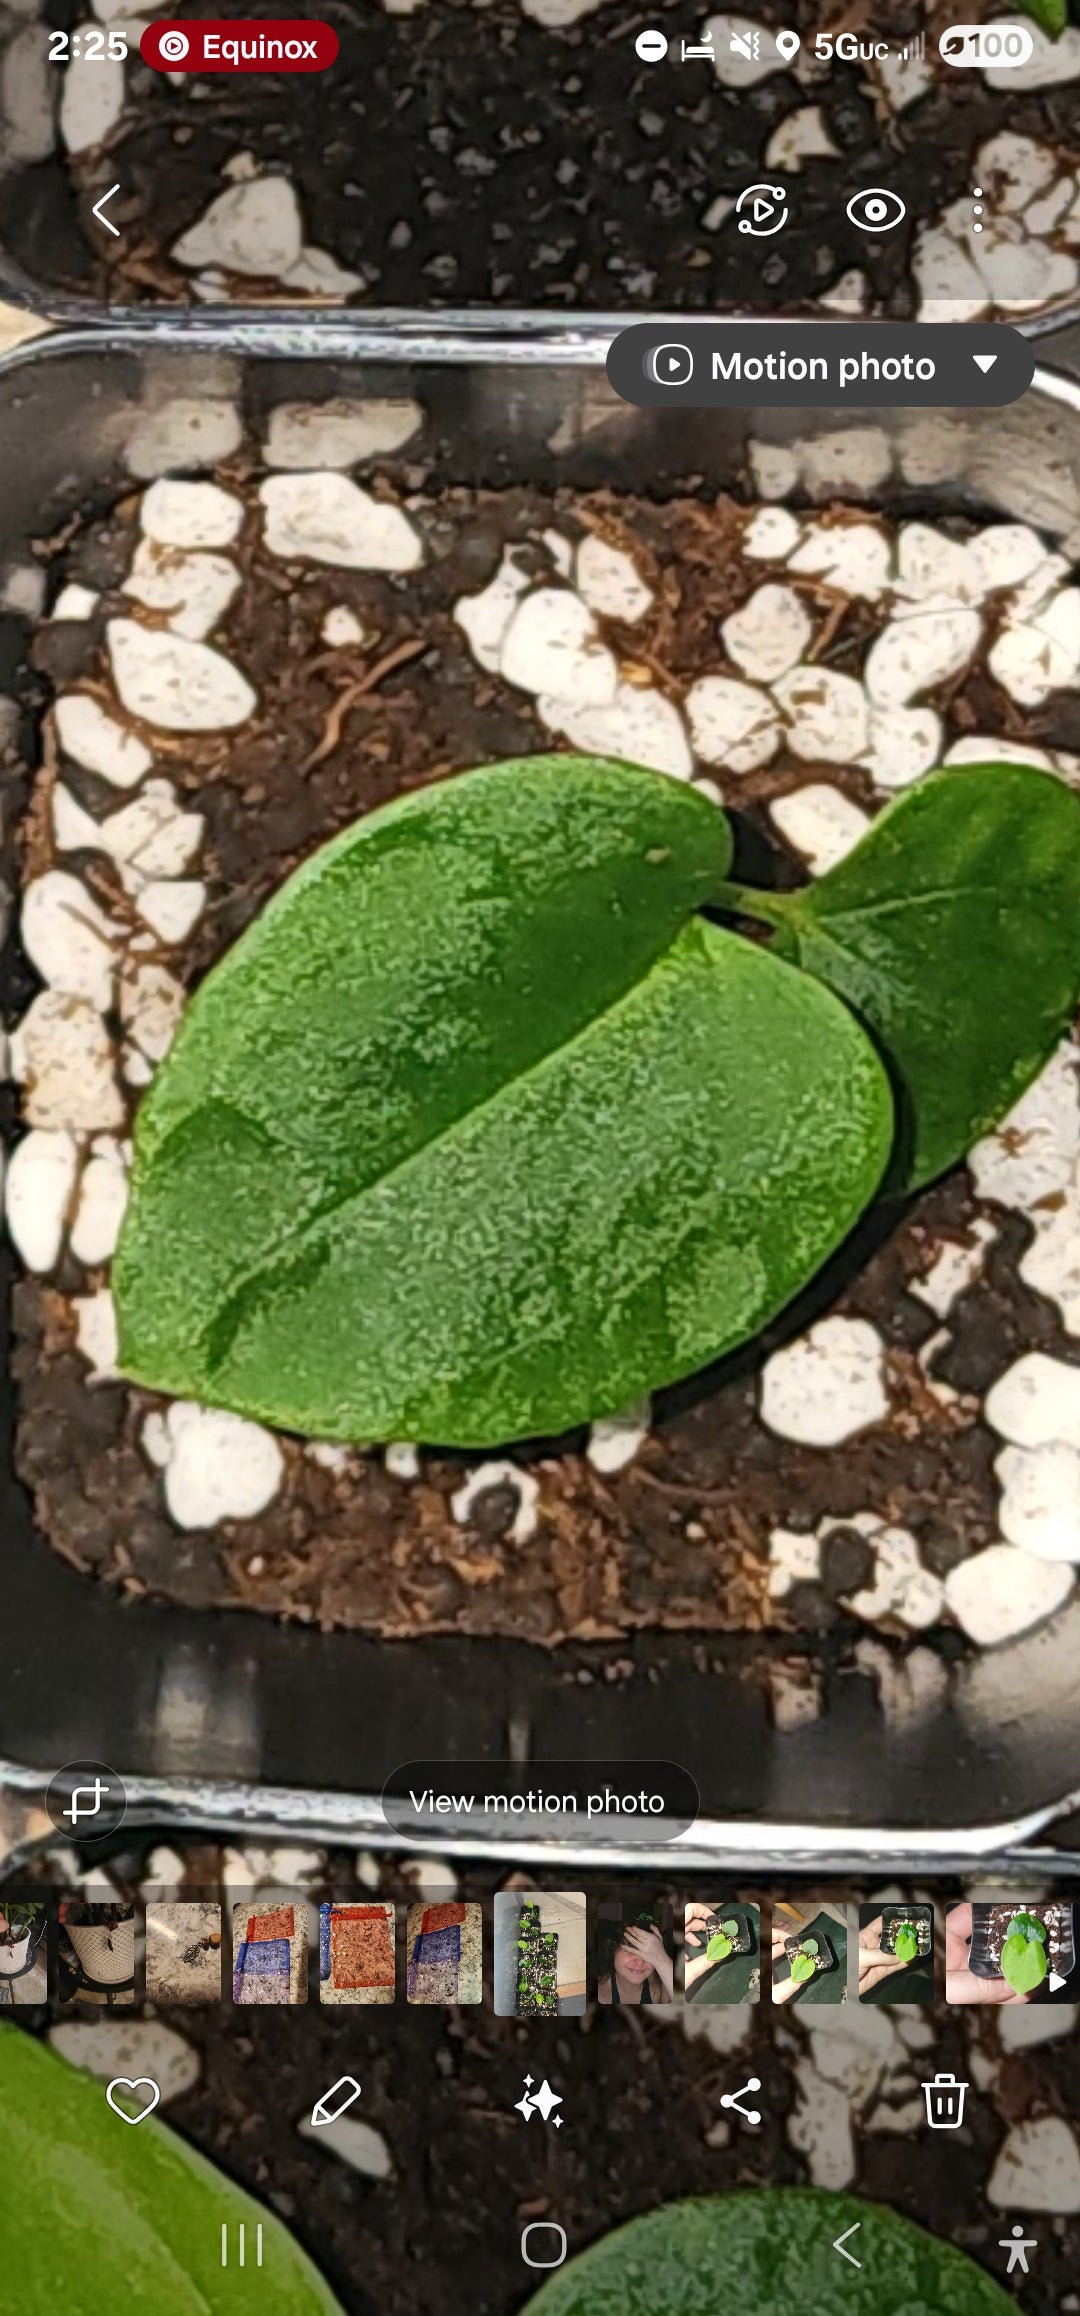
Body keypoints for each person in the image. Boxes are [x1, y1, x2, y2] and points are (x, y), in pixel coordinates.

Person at [597, 1907, 674, 2005]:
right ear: (613, 1950)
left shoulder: (664, 1990)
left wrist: (663, 1961)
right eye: (631, 1950)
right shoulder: (595, 1992)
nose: (640, 1961)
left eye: (649, 1954)